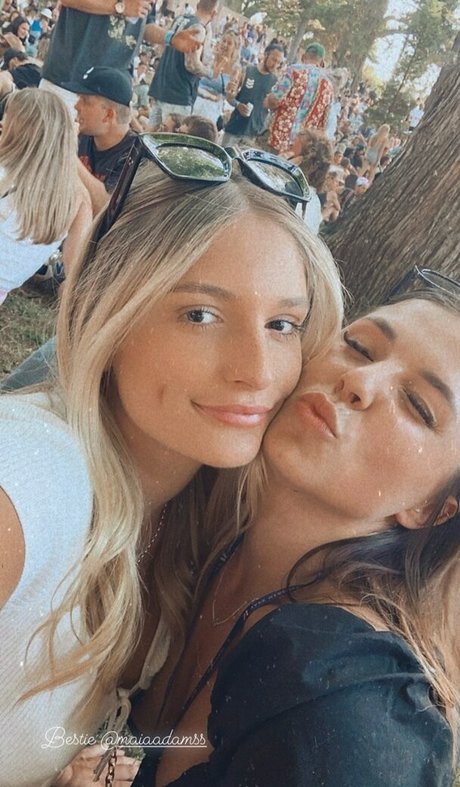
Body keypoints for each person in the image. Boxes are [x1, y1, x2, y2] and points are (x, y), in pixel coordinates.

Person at [0, 139, 343, 785]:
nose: (257, 371)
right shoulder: (27, 479)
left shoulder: (204, 515)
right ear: (111, 312)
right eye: (200, 314)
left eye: (282, 324)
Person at [131, 282, 460, 787]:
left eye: (418, 405)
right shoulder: (197, 523)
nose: (358, 379)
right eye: (359, 346)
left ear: (430, 509)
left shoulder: (349, 710)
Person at [0, 88, 91, 305]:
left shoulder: (6, 178)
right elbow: (74, 269)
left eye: (6, 123)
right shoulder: (74, 198)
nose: (1, 124)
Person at [39, 0, 202, 116]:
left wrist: (170, 38)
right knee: (47, 149)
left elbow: (144, 25)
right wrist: (120, 6)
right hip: (67, 81)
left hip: (110, 93)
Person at [66, 66, 137, 216]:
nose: (77, 106)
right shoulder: (82, 135)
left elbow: (106, 210)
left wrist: (68, 154)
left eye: (85, 101)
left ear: (108, 115)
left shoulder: (135, 156)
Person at [148, 0, 217, 127]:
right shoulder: (199, 29)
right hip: (179, 94)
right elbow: (191, 64)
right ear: (213, 14)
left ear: (198, 6)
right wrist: (210, 73)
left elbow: (160, 48)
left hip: (161, 87)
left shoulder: (180, 19)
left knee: (150, 134)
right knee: (172, 136)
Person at [266, 42, 333, 154]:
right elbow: (324, 125)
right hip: (301, 150)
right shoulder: (328, 86)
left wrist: (267, 102)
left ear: (303, 57)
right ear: (322, 63)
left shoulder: (294, 71)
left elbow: (274, 100)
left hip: (278, 141)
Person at [222, 43, 284, 147]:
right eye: (273, 60)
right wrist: (238, 105)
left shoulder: (276, 82)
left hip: (253, 134)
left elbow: (274, 108)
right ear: (266, 54)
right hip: (234, 127)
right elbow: (229, 97)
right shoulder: (247, 71)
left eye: (279, 62)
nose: (275, 65)